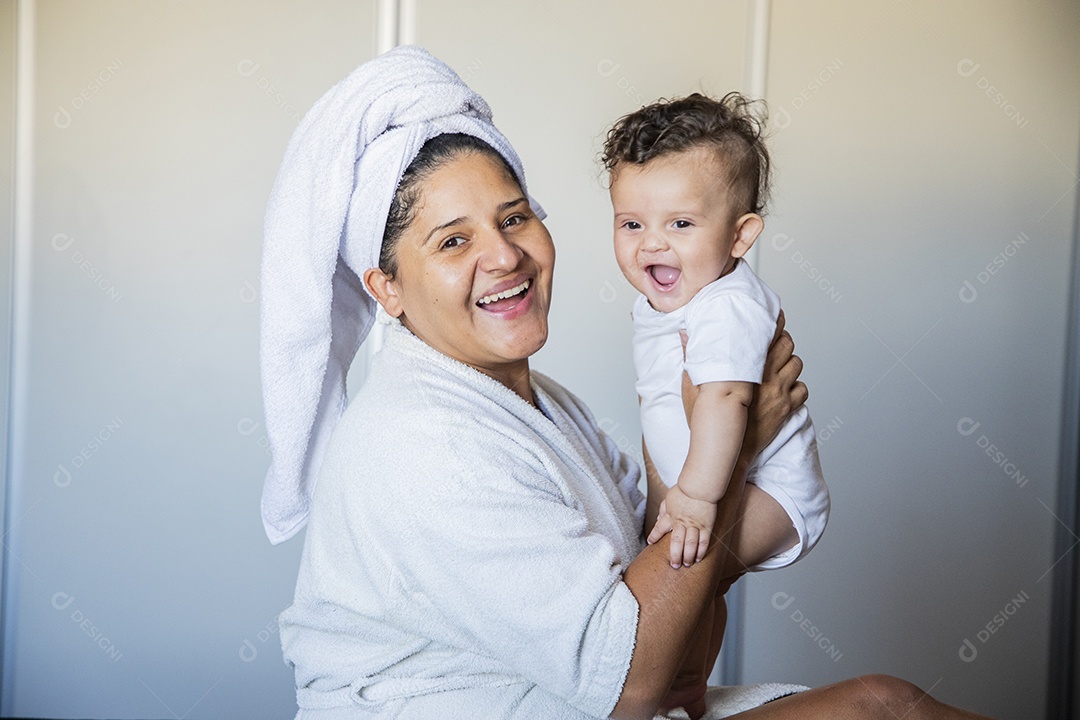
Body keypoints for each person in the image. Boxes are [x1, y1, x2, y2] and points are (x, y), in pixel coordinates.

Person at [260, 46, 996, 720]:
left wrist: (701, 449)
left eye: (514, 217)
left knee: (886, 705)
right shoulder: (422, 441)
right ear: (387, 289)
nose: (505, 256)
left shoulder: (545, 407)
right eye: (453, 241)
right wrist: (738, 450)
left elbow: (676, 640)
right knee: (883, 709)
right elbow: (634, 684)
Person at [601, 92, 830, 716]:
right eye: (632, 224)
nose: (653, 245)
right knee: (695, 580)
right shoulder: (672, 301)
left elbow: (727, 398)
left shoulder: (726, 305)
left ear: (740, 234)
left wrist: (697, 497)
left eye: (681, 224)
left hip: (771, 492)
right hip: (718, 480)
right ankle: (685, 693)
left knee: (689, 569)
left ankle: (674, 690)